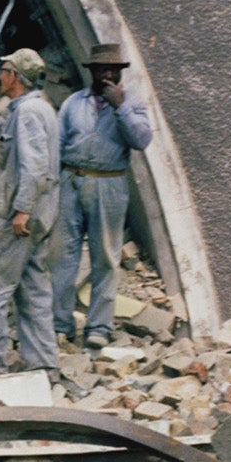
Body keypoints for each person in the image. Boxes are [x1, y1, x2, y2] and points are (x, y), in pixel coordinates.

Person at [0, 50, 64, 377]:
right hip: (43, 214)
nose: (0, 74)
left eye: (4, 69)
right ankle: (44, 364)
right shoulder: (36, 108)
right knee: (34, 289)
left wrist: (21, 209)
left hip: (21, 216)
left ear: (16, 76)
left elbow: (34, 167)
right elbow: (15, 139)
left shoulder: (27, 113)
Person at [52, 41, 154, 347]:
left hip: (109, 184)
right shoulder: (73, 103)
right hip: (71, 179)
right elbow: (57, 144)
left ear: (121, 72)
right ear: (92, 71)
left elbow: (141, 140)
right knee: (62, 257)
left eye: (112, 69)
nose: (106, 74)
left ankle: (99, 327)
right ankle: (60, 323)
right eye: (100, 69)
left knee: (106, 258)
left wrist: (120, 106)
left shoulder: (133, 105)